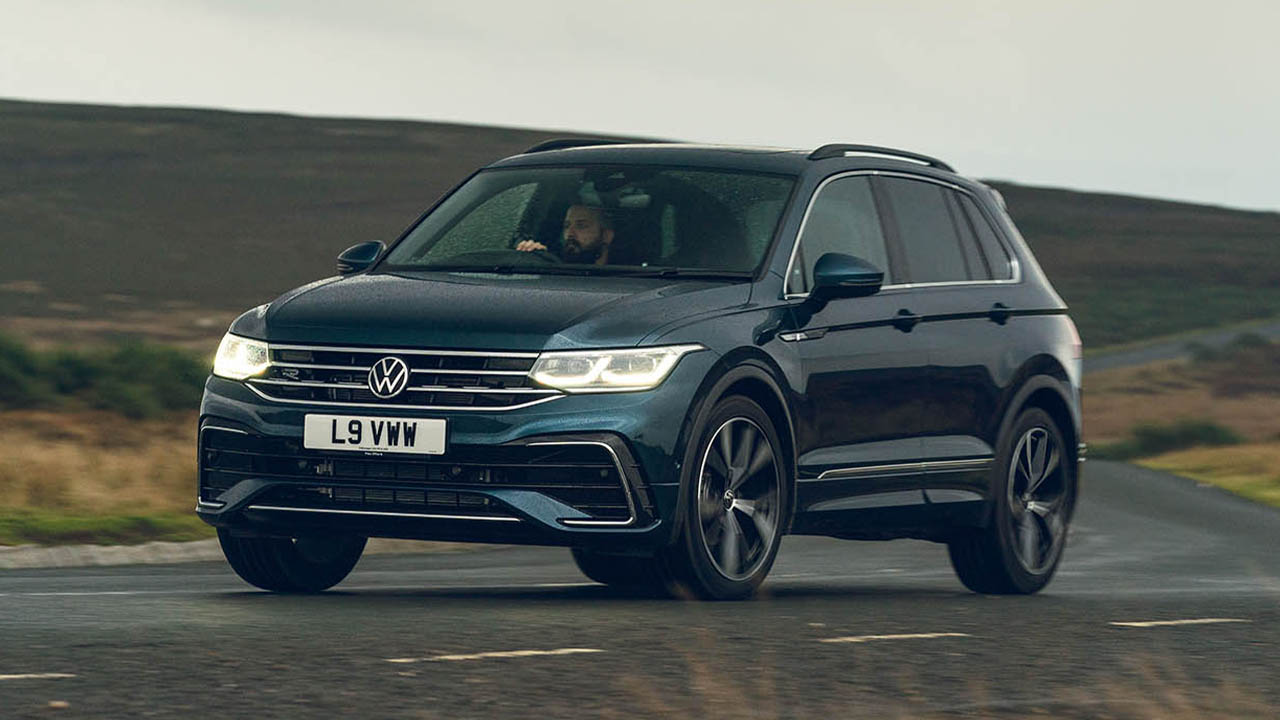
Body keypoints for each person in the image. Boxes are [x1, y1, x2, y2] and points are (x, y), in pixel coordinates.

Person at [515, 204, 614, 264]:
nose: (570, 233)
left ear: (606, 235)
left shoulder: (624, 277)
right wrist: (534, 255)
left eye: (581, 226)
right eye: (566, 226)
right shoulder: (554, 268)